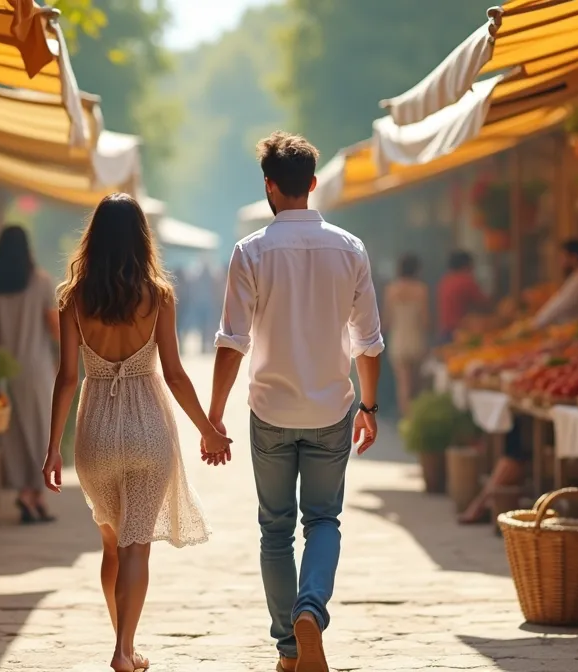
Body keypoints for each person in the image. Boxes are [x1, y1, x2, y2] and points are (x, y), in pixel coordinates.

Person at [208, 132, 383, 672]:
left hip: (271, 409)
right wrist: (369, 409)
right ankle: (311, 609)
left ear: (268, 188)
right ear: (311, 184)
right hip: (332, 408)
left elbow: (232, 343)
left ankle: (289, 649)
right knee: (324, 521)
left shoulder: (250, 252)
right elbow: (369, 342)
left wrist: (213, 416)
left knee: (276, 530)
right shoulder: (350, 248)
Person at [43, 193, 225, 672]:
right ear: (142, 238)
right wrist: (208, 430)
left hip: (96, 431)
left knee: (111, 544)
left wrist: (51, 450)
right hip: (148, 429)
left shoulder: (73, 297)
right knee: (136, 545)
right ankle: (124, 649)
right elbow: (177, 374)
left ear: (95, 237)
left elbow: (66, 378)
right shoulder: (158, 295)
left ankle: (123, 643)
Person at [0, 225, 59, 524]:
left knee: (13, 432)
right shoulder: (40, 282)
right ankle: (37, 495)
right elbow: (55, 327)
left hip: (5, 367)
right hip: (36, 366)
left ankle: (25, 492)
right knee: (42, 428)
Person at [383, 254, 431, 414]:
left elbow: (387, 321)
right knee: (417, 386)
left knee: (403, 385)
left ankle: (407, 422)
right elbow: (425, 321)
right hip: (416, 340)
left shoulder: (391, 290)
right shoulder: (421, 289)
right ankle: (417, 418)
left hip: (398, 341)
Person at [531, 239, 578, 328]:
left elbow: (558, 306)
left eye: (563, 257)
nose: (561, 262)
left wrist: (535, 324)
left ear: (575, 258)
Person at [436, 251, 488, 344]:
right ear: (466, 266)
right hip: (458, 334)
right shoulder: (466, 281)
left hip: (445, 333)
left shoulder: (446, 280)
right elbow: (484, 303)